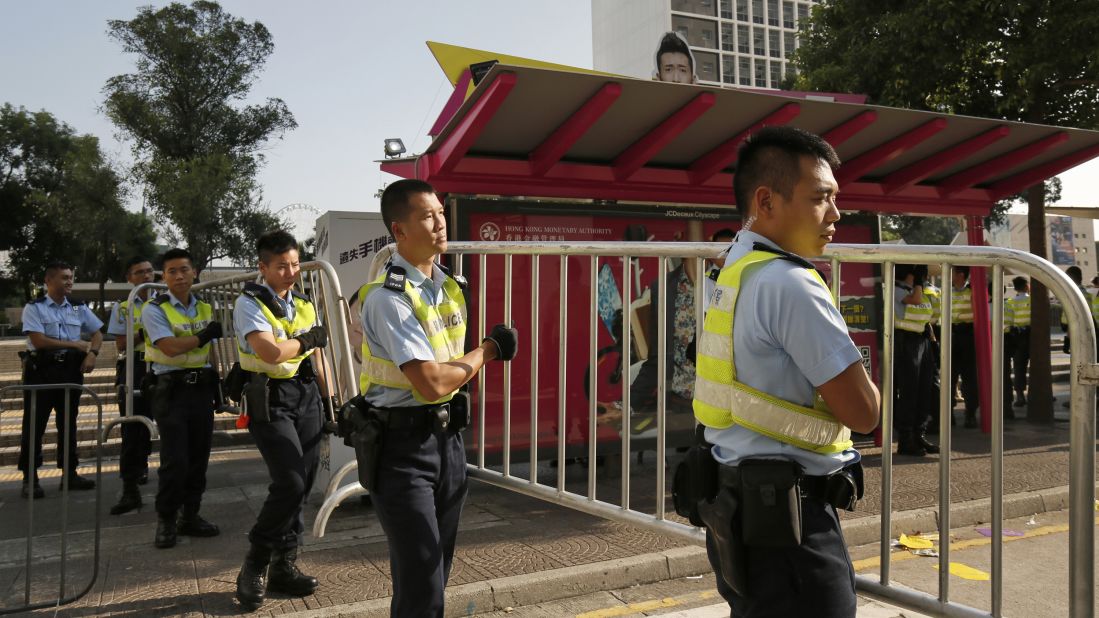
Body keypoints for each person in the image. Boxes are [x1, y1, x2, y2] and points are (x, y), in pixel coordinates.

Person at [692, 127, 879, 616]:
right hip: (791, 530)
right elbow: (863, 413)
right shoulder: (792, 284)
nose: (836, 215)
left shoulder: (733, 266)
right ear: (766, 201)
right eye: (821, 198)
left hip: (736, 511)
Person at [354, 178, 517, 617]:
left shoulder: (448, 285)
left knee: (434, 572)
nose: (441, 223)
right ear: (399, 230)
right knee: (423, 579)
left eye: (441, 213)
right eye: (427, 216)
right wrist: (488, 349)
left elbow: (446, 372)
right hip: (402, 452)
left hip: (447, 443)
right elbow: (430, 382)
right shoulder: (389, 299)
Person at [232, 230, 329, 611]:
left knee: (302, 484)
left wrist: (331, 401)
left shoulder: (303, 303)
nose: (291, 272)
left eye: (295, 264)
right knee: (288, 481)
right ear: (263, 267)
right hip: (269, 397)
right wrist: (307, 341)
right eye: (281, 266)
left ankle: (284, 565)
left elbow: (317, 358)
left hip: (306, 395)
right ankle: (254, 562)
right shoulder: (249, 304)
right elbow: (271, 352)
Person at [141, 248, 221, 549]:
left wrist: (219, 382)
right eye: (172, 271)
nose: (179, 276)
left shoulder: (203, 307)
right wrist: (203, 336)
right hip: (171, 391)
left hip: (201, 389)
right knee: (176, 459)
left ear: (194, 272)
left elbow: (208, 353)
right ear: (164, 276)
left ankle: (191, 515)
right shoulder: (154, 308)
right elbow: (170, 347)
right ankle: (166, 520)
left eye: (184, 269)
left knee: (199, 457)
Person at [18, 261, 103, 498]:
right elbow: (38, 340)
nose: (70, 281)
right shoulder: (35, 307)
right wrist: (75, 344)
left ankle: (70, 474)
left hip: (70, 371)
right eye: (65, 277)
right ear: (49, 280)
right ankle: (30, 478)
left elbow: (97, 332)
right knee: (34, 426)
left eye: (71, 277)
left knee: (69, 424)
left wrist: (92, 354)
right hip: (41, 371)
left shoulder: (76, 307)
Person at [106, 256, 156, 514]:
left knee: (158, 424)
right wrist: (147, 332)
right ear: (130, 278)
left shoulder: (166, 302)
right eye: (140, 273)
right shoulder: (123, 307)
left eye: (149, 271)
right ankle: (129, 488)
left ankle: (144, 465)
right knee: (132, 425)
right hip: (134, 367)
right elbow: (120, 343)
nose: (147, 276)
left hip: (162, 365)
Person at [892, 264, 939, 456]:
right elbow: (915, 300)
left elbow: (932, 314)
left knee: (924, 391)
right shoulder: (895, 289)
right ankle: (906, 439)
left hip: (922, 341)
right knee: (909, 392)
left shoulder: (919, 290)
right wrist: (920, 282)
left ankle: (919, 435)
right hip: (905, 342)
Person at [949, 266, 980, 428]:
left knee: (969, 377)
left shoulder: (972, 291)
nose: (949, 275)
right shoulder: (947, 291)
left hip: (968, 335)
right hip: (951, 334)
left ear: (960, 275)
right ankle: (949, 413)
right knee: (949, 376)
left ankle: (970, 413)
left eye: (952, 273)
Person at [1006, 276, 1031, 408]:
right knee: (1037, 365)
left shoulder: (1009, 302)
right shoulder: (1033, 300)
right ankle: (1041, 394)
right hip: (1032, 335)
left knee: (1018, 367)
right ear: (1027, 286)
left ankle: (1020, 396)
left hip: (1017, 337)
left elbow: (1008, 322)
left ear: (1015, 287)